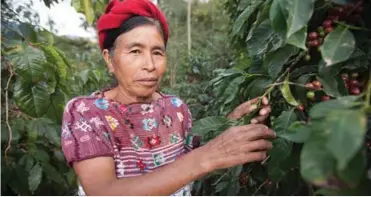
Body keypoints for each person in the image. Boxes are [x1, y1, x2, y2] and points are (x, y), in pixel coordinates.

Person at [61, 0, 275, 195]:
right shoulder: (87, 113)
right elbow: (103, 192)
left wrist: (231, 124)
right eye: (135, 51)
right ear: (109, 59)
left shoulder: (175, 108)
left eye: (157, 52)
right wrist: (207, 156)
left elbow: (190, 166)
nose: (150, 65)